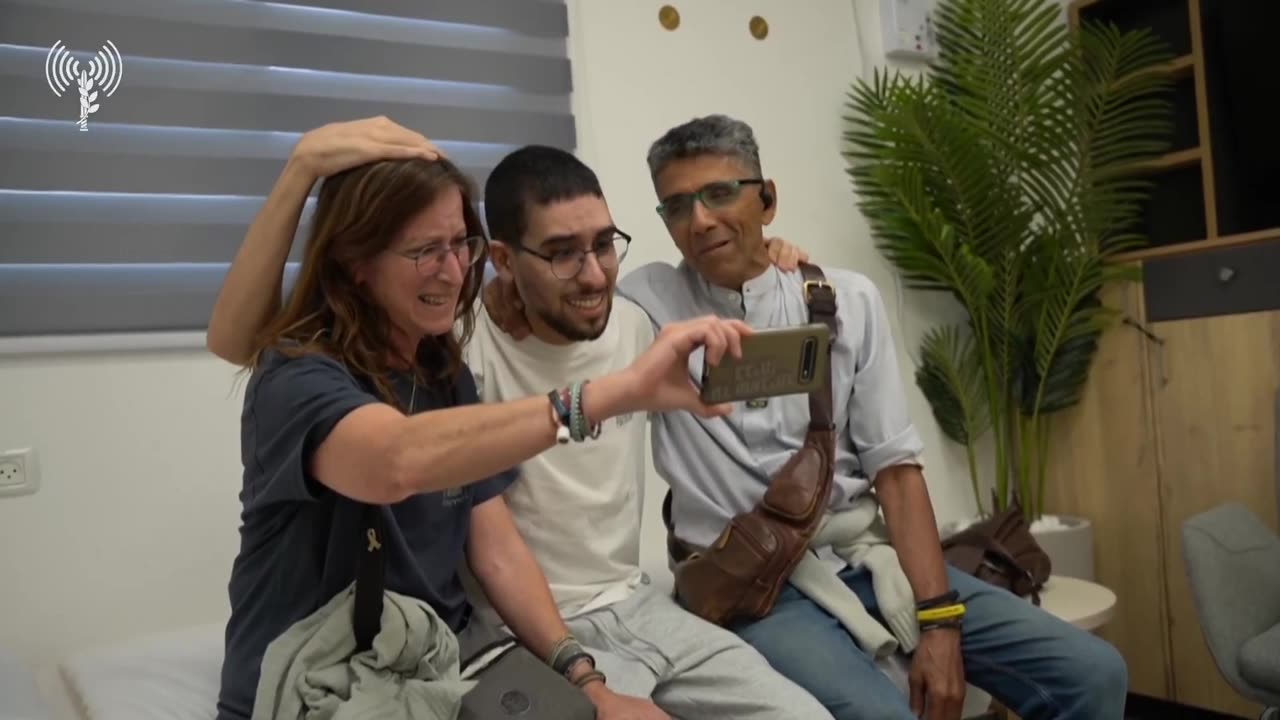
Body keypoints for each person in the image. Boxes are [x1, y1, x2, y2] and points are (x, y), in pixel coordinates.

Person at [206, 117, 833, 720]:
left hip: (451, 658)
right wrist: (301, 169)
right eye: (426, 250)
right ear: (355, 263)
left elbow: (495, 544)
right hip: (318, 682)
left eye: (459, 245)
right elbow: (397, 460)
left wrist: (585, 679)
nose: (452, 272)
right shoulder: (298, 377)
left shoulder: (443, 372)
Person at [601, 114, 1128, 720]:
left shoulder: (843, 300)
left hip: (863, 555)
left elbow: (896, 472)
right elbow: (569, 309)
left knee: (1093, 672)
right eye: (676, 206)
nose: (698, 220)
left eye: (720, 194)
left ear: (767, 199)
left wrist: (939, 623)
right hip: (747, 585)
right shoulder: (645, 305)